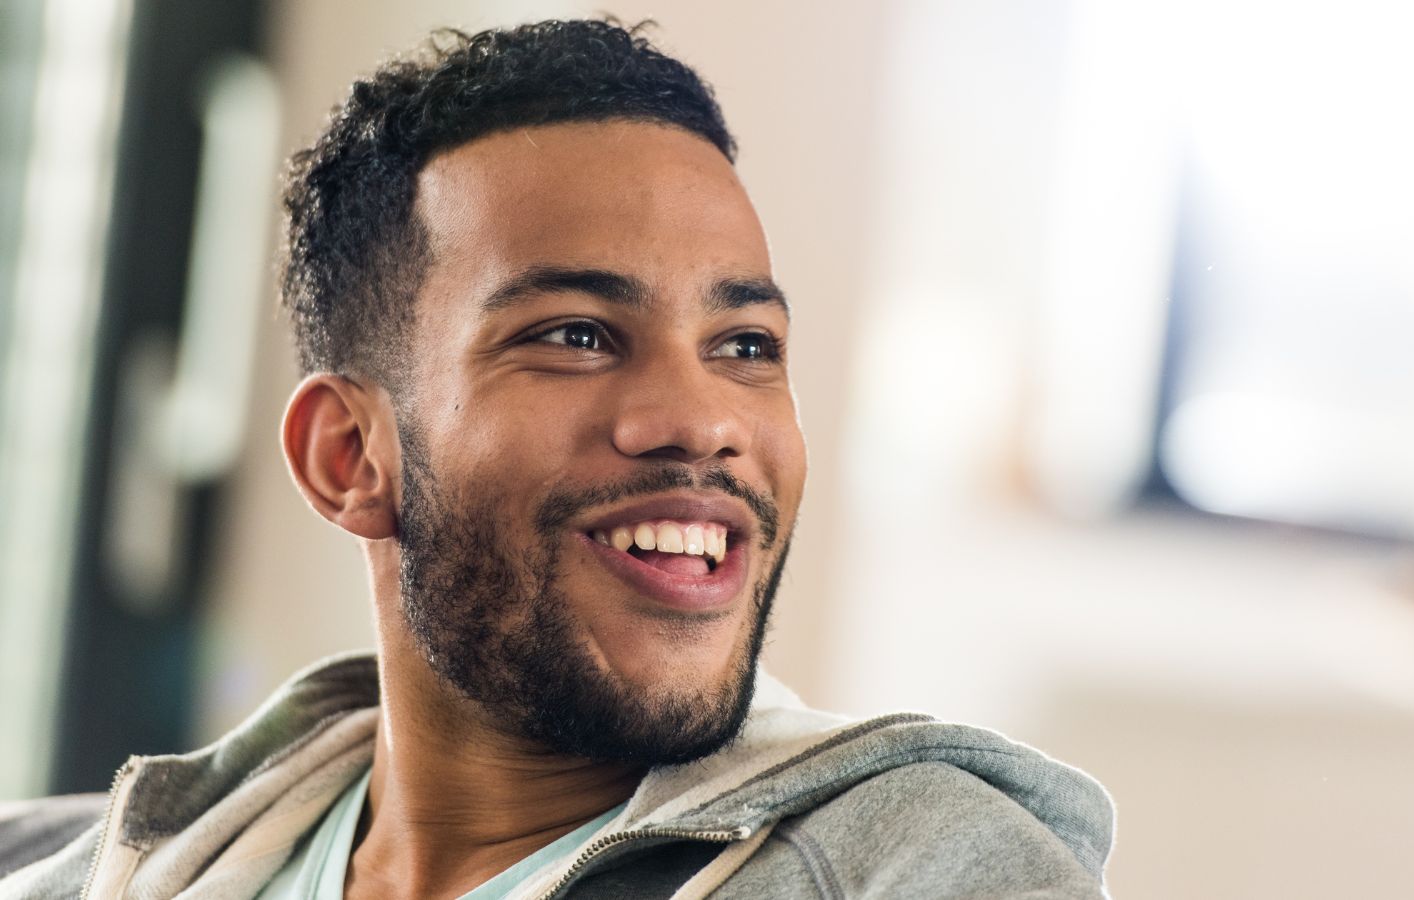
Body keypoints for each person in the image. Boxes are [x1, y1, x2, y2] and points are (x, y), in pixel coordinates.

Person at [0, 19, 1113, 899]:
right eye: (575, 335)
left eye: (745, 347)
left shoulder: (923, 873)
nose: (701, 417)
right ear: (350, 455)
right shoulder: (69, 864)